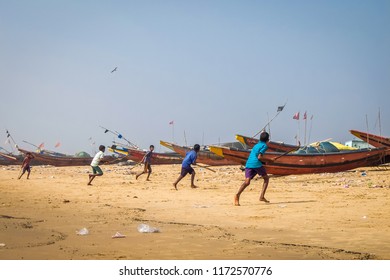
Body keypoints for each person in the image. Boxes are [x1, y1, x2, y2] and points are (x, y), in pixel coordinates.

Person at [234, 131, 271, 206]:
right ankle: (262, 196)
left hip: (249, 164)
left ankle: (237, 195)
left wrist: (265, 162)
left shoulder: (256, 145)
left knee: (247, 182)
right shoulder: (264, 146)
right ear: (267, 140)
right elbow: (259, 157)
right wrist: (270, 160)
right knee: (266, 178)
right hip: (256, 164)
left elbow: (256, 156)